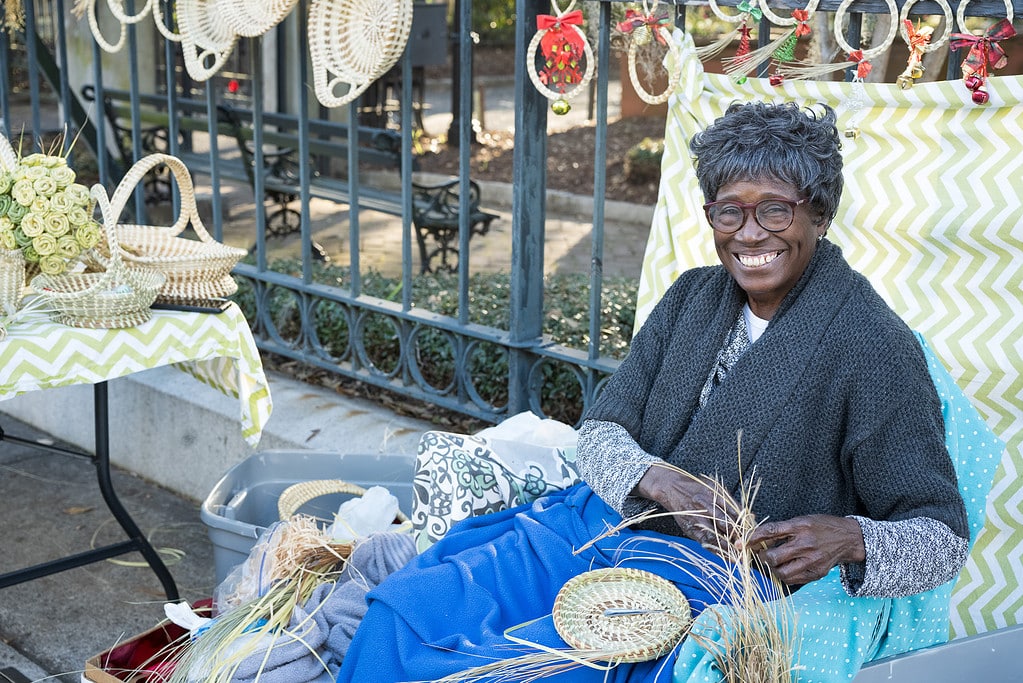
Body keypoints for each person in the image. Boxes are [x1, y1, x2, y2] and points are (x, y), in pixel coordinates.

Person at [336, 102, 969, 682]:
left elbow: (942, 538)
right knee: (405, 611)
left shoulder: (871, 343)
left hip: (704, 581)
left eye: (775, 209)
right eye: (730, 210)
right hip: (594, 527)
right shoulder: (691, 298)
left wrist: (852, 539)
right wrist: (659, 481)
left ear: (819, 213)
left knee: (505, 671)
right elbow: (600, 434)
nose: (750, 235)